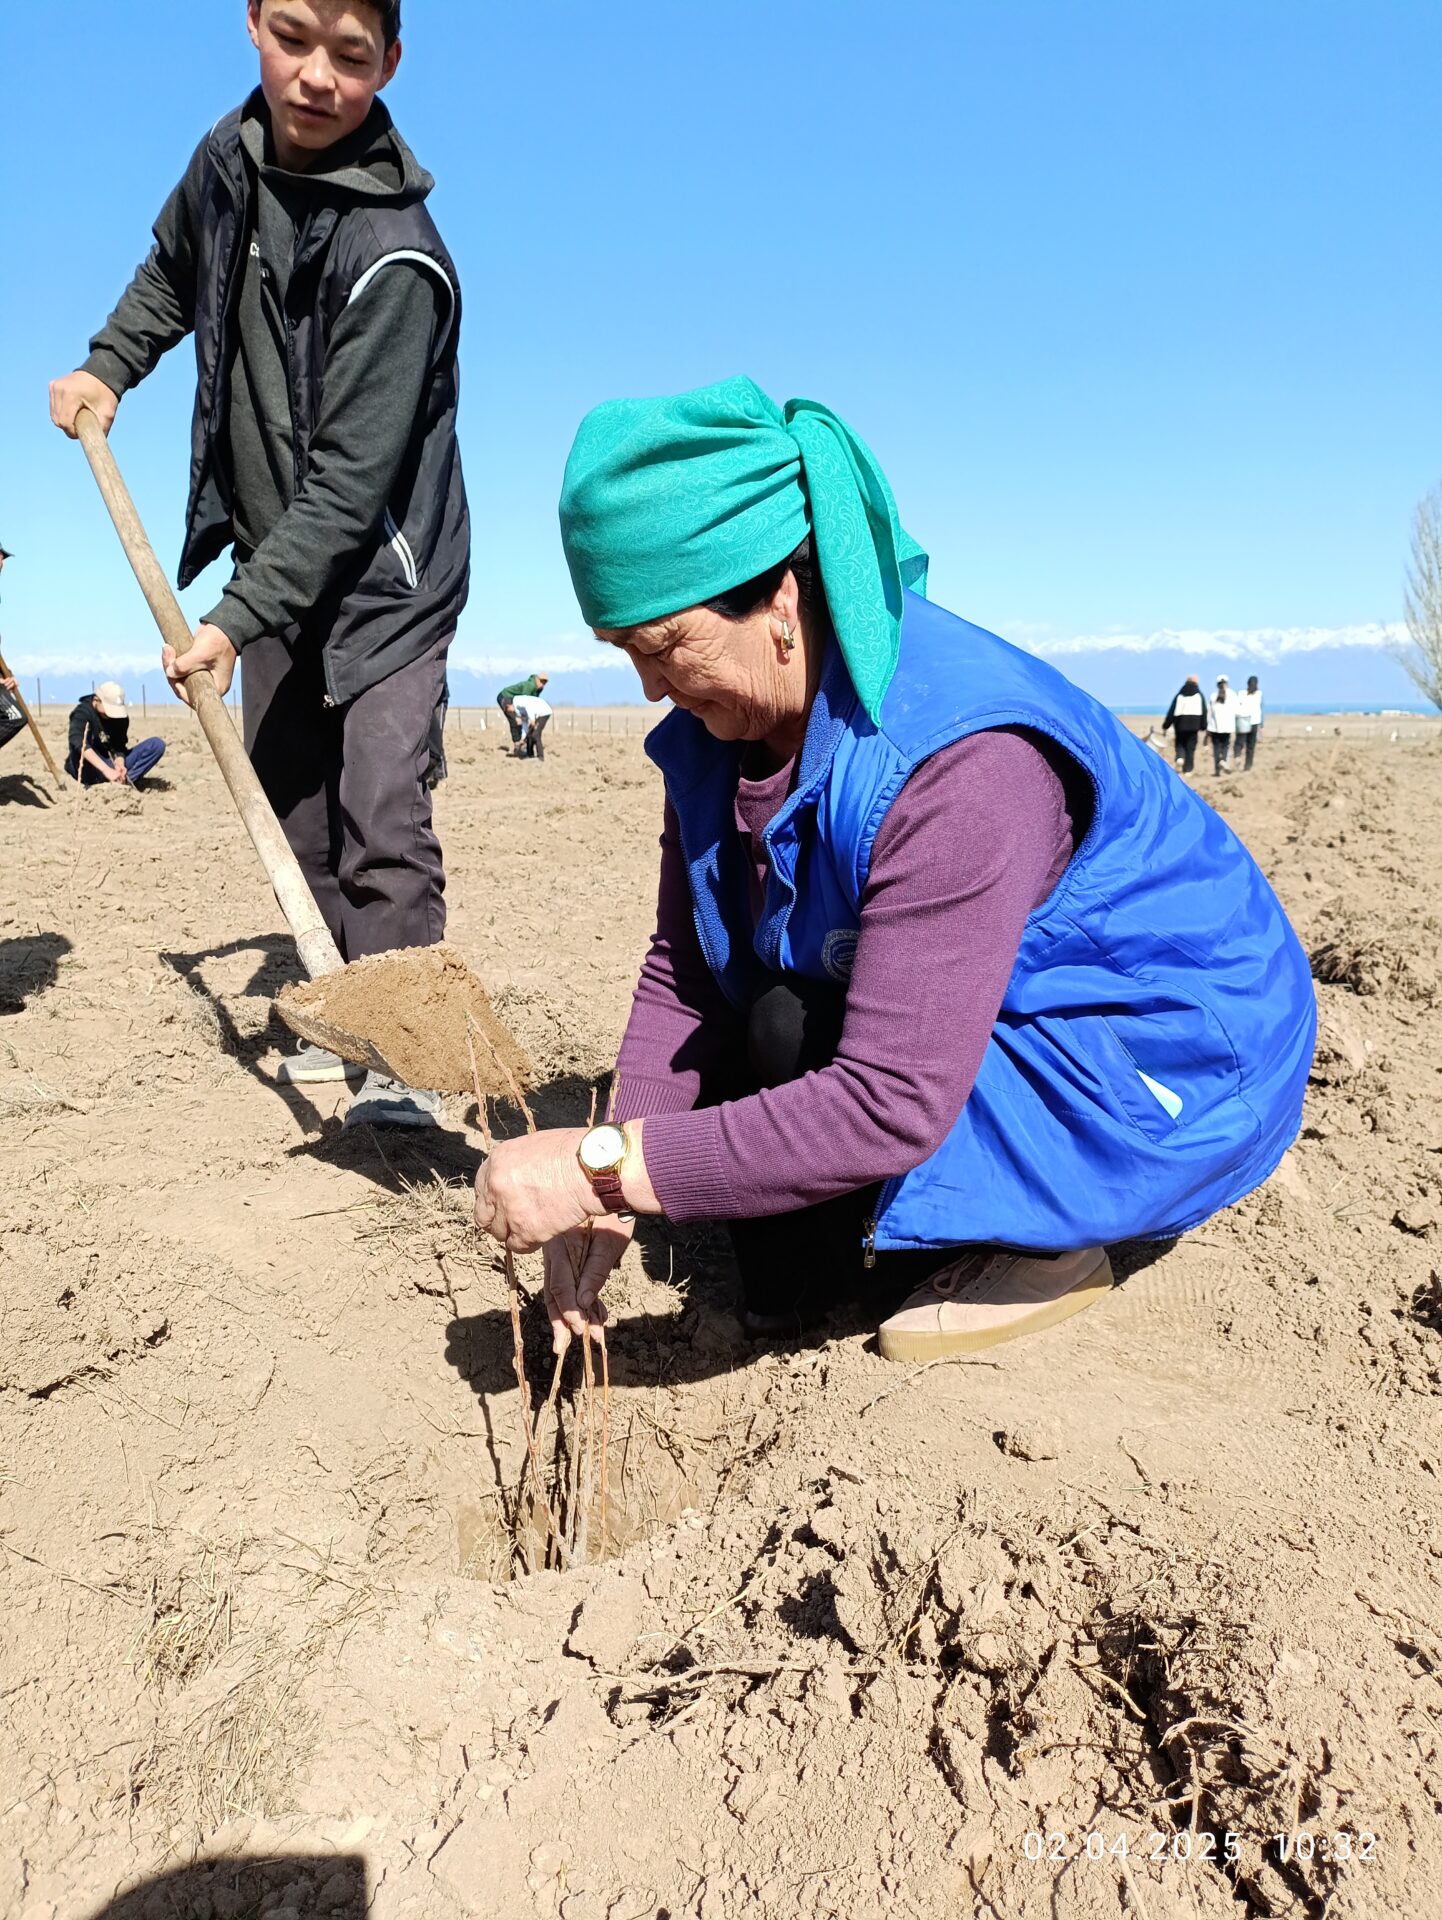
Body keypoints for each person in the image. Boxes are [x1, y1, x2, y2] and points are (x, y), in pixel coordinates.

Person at [470, 377, 1317, 1363]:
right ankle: (843, 1274)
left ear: (779, 602)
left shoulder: (960, 760)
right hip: (986, 995)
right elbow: (684, 972)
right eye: (625, 653)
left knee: (819, 1067)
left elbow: (887, 1097)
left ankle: (1054, 1241)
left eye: (663, 648)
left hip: (1155, 1050)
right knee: (776, 1033)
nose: (651, 686)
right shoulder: (714, 733)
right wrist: (612, 1186)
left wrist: (600, 1169)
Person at [47, 0, 468, 1130]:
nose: (317, 77)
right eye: (293, 38)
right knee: (296, 802)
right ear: (250, 22)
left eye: (351, 55)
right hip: (273, 559)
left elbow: (348, 487)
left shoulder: (399, 260)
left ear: (392, 59)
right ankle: (341, 1013)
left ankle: (410, 1062)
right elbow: (172, 273)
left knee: (381, 804)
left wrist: (228, 621)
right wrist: (108, 368)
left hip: (387, 578)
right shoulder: (224, 162)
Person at [65, 683, 167, 787]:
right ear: (96, 700)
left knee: (157, 745)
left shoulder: (121, 718)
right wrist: (106, 770)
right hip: (87, 766)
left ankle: (124, 782)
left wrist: (120, 764)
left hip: (110, 762)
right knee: (85, 743)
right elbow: (77, 741)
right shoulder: (82, 712)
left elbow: (119, 746)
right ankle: (103, 781)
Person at [1161, 672, 1206, 774]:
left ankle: (1180, 757)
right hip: (1194, 724)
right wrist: (1203, 725)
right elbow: (1204, 711)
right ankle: (1188, 769)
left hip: (1180, 723)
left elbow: (1172, 710)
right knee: (1190, 747)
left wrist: (1166, 725)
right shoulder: (1199, 695)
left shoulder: (1180, 695)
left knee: (1180, 743)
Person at [497, 671, 549, 745]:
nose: (542, 685)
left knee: (524, 720)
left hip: (516, 701)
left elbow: (533, 703)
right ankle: (517, 744)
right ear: (537, 679)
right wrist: (518, 715)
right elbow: (525, 701)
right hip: (506, 696)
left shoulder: (538, 690)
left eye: (544, 683)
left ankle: (523, 742)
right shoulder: (530, 686)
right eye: (541, 682)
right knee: (516, 720)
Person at [1207, 675, 1237, 777]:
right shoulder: (1232, 695)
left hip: (1214, 727)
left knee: (1216, 748)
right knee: (1225, 746)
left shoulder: (1213, 696)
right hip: (1227, 727)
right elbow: (1236, 710)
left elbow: (1209, 713)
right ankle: (1223, 760)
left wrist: (1208, 726)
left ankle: (1217, 770)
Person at [510, 690, 552, 760]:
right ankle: (529, 755)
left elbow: (528, 706)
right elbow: (525, 724)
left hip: (543, 712)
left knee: (535, 734)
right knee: (529, 736)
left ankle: (540, 757)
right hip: (535, 716)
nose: (509, 712)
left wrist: (532, 719)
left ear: (509, 705)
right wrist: (523, 738)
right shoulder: (518, 711)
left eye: (508, 709)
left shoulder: (517, 702)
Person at [1234, 675, 1263, 770]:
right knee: (1250, 745)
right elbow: (1260, 709)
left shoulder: (1241, 693)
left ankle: (1237, 756)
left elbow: (1237, 707)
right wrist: (1261, 724)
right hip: (1254, 722)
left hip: (1243, 720)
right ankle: (1248, 765)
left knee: (1239, 741)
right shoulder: (1259, 694)